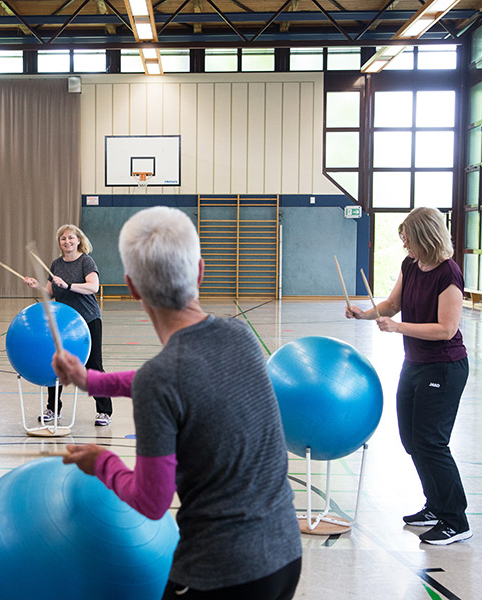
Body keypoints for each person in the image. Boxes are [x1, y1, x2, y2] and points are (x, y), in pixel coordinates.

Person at [52, 207, 302, 599]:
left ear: (133, 288)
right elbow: (177, 381)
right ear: (200, 271)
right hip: (286, 557)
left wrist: (101, 461)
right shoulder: (241, 336)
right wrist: (90, 380)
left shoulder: (161, 376)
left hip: (219, 572)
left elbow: (152, 502)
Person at [346, 207, 471, 546]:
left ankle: (456, 519)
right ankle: (435, 505)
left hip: (443, 367)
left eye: (409, 240)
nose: (405, 246)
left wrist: (398, 328)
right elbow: (390, 304)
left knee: (432, 442)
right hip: (414, 364)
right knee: (412, 441)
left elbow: (446, 329)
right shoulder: (410, 266)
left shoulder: (449, 274)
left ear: (426, 237)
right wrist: (364, 314)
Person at [22, 224, 113, 427]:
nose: (67, 242)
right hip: (63, 322)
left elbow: (93, 287)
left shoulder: (85, 262)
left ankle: (104, 411)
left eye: (71, 238)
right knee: (56, 364)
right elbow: (50, 294)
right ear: (59, 243)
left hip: (88, 319)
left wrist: (68, 285)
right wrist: (37, 286)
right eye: (63, 239)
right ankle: (53, 409)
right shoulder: (56, 264)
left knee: (93, 366)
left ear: (79, 240)